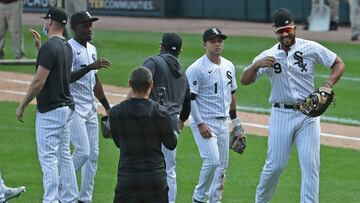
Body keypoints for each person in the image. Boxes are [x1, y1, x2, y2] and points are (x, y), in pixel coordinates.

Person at [240, 8, 345, 203]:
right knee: (275, 166)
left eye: (288, 29)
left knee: (310, 165)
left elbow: (338, 63)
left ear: (295, 28)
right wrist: (256, 66)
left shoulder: (310, 47)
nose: (285, 34)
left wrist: (328, 84)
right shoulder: (268, 55)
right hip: (281, 115)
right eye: (281, 31)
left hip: (308, 115)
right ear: (275, 32)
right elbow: (245, 80)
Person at [30, 11, 112, 203]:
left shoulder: (92, 49)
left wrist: (107, 106)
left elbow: (95, 80)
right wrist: (89, 67)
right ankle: (60, 184)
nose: (90, 28)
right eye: (86, 25)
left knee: (93, 156)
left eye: (91, 24)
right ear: (74, 28)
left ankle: (85, 198)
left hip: (90, 108)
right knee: (82, 151)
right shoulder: (67, 47)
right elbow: (64, 77)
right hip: (73, 106)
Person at [15, 8, 79, 203]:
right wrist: (39, 48)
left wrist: (23, 105)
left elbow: (39, 81)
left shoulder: (49, 48)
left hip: (51, 110)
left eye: (46, 20)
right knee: (64, 156)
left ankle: (51, 200)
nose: (44, 23)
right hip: (67, 108)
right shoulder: (66, 46)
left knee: (48, 157)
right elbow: (56, 69)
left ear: (51, 22)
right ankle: (70, 197)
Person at [186, 27, 241, 203]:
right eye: (213, 41)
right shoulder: (196, 68)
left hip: (223, 123)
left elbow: (232, 94)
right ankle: (199, 198)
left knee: (222, 167)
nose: (218, 44)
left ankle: (215, 200)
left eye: (220, 41)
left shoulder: (228, 65)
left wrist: (236, 124)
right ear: (204, 44)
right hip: (204, 121)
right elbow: (190, 99)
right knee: (212, 161)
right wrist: (200, 123)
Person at [109, 67, 177, 203]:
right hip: (155, 178)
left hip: (127, 177)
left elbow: (118, 143)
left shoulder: (116, 112)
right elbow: (171, 144)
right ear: (151, 85)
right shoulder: (161, 113)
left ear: (129, 84)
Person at [141, 32, 190, 203]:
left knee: (146, 168)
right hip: (171, 125)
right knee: (169, 170)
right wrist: (181, 121)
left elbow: (140, 82)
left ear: (161, 46)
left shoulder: (154, 61)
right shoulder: (183, 74)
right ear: (180, 51)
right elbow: (187, 103)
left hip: (151, 123)